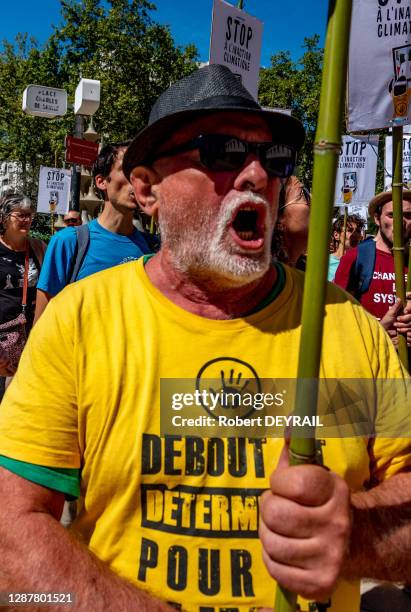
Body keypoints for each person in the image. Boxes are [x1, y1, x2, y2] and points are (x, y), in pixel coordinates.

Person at [0, 64, 410, 612]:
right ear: (147, 190)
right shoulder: (82, 322)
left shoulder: (344, 329)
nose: (256, 176)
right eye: (221, 152)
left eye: (273, 159)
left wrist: (359, 534)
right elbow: (11, 532)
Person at [33, 142, 155, 321]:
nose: (137, 179)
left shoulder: (154, 247)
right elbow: (42, 326)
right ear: (101, 181)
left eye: (142, 172)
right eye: (127, 169)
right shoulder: (69, 242)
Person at [335, 188, 411, 347]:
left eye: (408, 215)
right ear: (377, 219)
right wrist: (379, 332)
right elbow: (337, 319)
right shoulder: (355, 258)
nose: (400, 221)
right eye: (391, 215)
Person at [0, 193, 46, 399]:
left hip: (29, 335)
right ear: (4, 217)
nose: (26, 220)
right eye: (20, 215)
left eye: (30, 215)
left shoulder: (38, 248)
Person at [272, 174, 310, 269]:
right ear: (280, 219)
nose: (311, 198)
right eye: (303, 194)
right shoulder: (261, 279)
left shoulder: (312, 272)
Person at [328, 213, 364, 281]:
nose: (355, 235)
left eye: (358, 231)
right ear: (336, 235)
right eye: (350, 230)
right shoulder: (325, 263)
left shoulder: (364, 262)